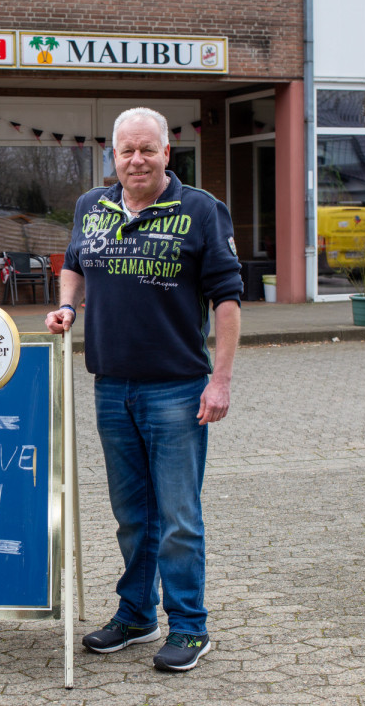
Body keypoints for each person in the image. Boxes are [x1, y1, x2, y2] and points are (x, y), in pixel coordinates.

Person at [45, 107, 242, 672]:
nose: (136, 160)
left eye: (146, 150)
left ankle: (189, 627)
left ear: (166, 152)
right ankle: (136, 614)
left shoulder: (201, 209)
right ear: (114, 155)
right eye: (126, 151)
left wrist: (220, 381)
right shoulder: (91, 206)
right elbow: (76, 264)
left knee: (179, 516)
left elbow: (227, 303)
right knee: (132, 514)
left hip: (177, 389)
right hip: (111, 386)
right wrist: (66, 306)